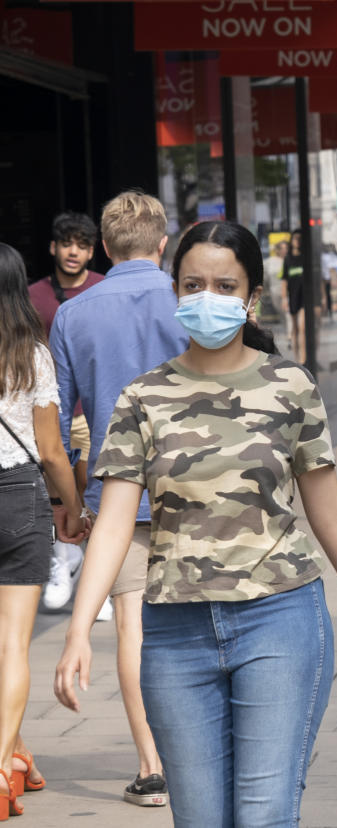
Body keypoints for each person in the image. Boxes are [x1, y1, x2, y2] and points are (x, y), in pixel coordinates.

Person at [53, 219, 337, 825]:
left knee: (263, 814)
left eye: (226, 286)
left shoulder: (290, 385)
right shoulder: (143, 397)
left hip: (280, 620)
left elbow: (332, 514)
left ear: (252, 299)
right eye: (193, 284)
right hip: (173, 634)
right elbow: (115, 524)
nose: (207, 298)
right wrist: (77, 631)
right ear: (174, 291)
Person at [49, 191, 186, 808]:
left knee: (132, 626)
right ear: (164, 243)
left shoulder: (73, 315)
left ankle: (152, 766)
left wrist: (66, 504)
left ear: (103, 247)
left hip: (117, 495)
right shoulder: (189, 301)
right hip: (199, 489)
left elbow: (53, 422)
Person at [0, 242, 88, 819]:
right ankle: (3, 761)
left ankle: (18, 752)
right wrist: (72, 506)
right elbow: (54, 451)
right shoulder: (31, 353)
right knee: (13, 644)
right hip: (18, 499)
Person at [27, 212, 105, 613]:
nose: (74, 251)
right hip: (46, 410)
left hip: (90, 408)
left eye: (82, 244)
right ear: (53, 247)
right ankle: (63, 560)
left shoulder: (103, 290)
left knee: (94, 487)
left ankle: (98, 572)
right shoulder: (33, 295)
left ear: (93, 251)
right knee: (54, 492)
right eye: (67, 243)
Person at [281, 230, 307, 362]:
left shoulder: (305, 257)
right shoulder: (288, 259)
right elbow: (284, 280)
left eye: (299, 238)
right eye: (295, 238)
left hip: (304, 297)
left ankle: (303, 359)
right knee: (295, 329)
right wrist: (284, 298)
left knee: (302, 328)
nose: (297, 241)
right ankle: (297, 359)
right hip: (293, 296)